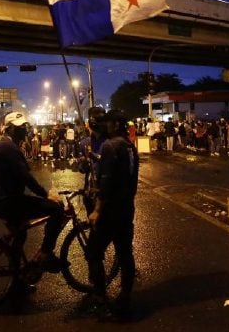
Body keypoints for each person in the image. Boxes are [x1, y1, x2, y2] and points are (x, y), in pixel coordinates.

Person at [0, 112, 66, 272]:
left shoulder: (8, 145)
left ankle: (17, 280)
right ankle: (46, 253)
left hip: (6, 199)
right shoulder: (8, 147)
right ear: (8, 129)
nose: (23, 129)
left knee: (20, 235)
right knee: (57, 209)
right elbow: (26, 178)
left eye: (24, 126)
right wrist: (46, 195)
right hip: (8, 201)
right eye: (19, 127)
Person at [87, 109, 139, 319]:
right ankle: (125, 298)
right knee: (125, 253)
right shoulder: (129, 147)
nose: (104, 126)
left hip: (110, 211)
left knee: (93, 252)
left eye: (108, 123)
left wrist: (98, 209)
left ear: (115, 125)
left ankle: (100, 298)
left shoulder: (110, 146)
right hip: (127, 208)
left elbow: (107, 182)